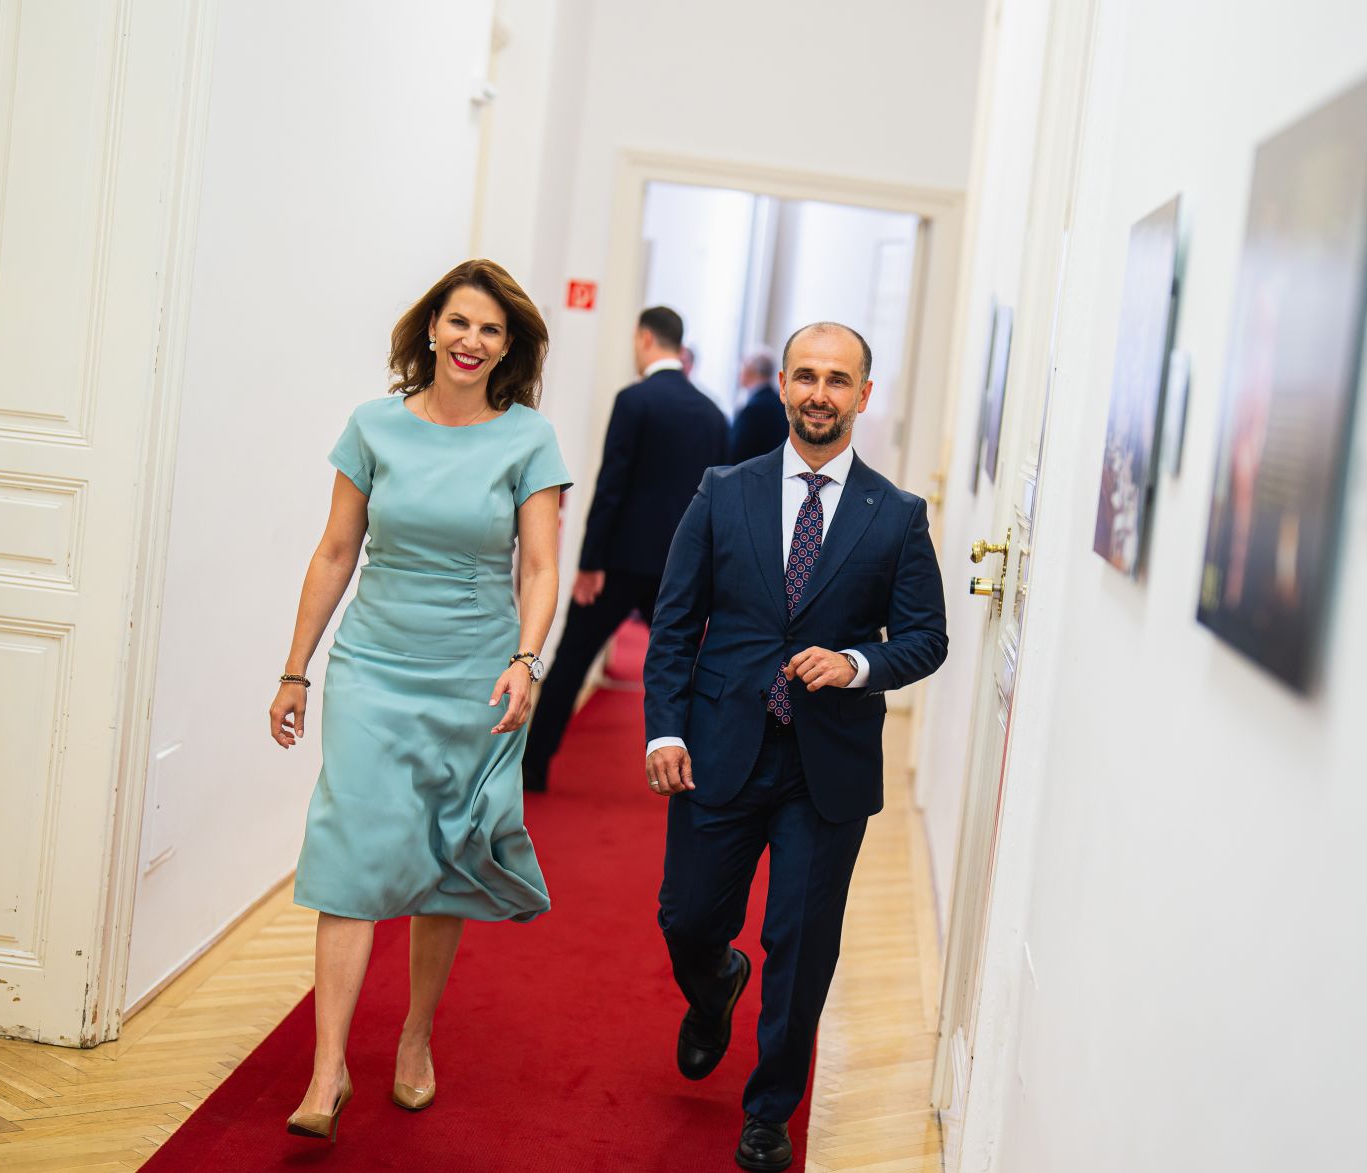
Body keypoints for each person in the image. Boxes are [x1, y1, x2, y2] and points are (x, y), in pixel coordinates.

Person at [268, 259, 571, 1142]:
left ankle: (414, 1036)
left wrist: (527, 658)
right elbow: (335, 552)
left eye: (492, 330)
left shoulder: (528, 439)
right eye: (460, 323)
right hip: (374, 663)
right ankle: (327, 1071)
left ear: (507, 347)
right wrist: (296, 668)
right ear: (430, 329)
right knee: (351, 847)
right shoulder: (372, 426)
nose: (472, 342)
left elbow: (542, 566)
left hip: (474, 668)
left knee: (443, 855)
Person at [644, 322, 948, 1170]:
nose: (820, 392)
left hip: (828, 765)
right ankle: (713, 989)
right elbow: (675, 620)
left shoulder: (896, 516)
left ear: (863, 395)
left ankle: (769, 1110)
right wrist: (665, 725)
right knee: (689, 914)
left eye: (838, 379)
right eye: (806, 376)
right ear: (781, 385)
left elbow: (925, 638)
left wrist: (856, 662)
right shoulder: (723, 489)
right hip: (719, 746)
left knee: (802, 943)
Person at [521, 306, 728, 791]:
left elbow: (611, 485)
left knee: (571, 661)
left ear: (644, 339)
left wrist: (590, 562)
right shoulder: (714, 414)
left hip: (618, 563)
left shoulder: (635, 400)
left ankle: (533, 769)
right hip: (682, 568)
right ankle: (706, 770)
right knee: (688, 670)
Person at [728, 348, 788, 463]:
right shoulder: (780, 402)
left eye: (742, 368)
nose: (739, 374)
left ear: (750, 372)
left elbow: (737, 452)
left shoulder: (754, 409)